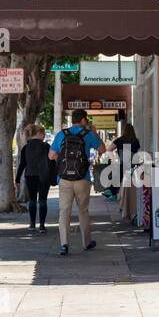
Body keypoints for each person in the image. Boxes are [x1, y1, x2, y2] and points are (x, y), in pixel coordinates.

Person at [48, 109, 104, 256]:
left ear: (72, 120)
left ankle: (64, 244)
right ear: (83, 120)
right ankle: (86, 242)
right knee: (83, 210)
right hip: (82, 178)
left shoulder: (62, 134)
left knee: (64, 211)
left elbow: (51, 155)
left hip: (64, 179)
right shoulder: (88, 134)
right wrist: (95, 132)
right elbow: (102, 149)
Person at [15, 124, 52, 233]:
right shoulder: (46, 146)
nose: (44, 136)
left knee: (32, 200)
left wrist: (17, 179)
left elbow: (22, 164)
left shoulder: (25, 148)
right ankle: (42, 225)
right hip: (44, 176)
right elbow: (51, 162)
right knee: (43, 200)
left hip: (30, 176)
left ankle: (32, 224)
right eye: (43, 134)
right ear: (39, 133)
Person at [109, 121, 141, 222]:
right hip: (132, 167)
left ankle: (123, 206)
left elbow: (109, 149)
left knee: (122, 187)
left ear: (124, 131)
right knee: (131, 188)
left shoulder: (119, 140)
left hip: (121, 166)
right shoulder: (135, 141)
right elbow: (137, 154)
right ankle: (130, 208)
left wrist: (114, 159)